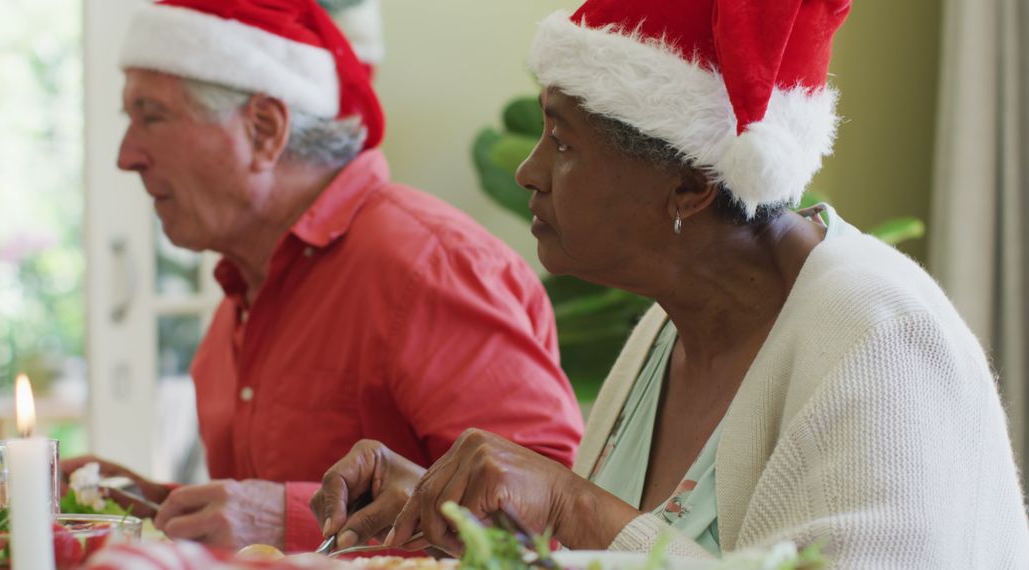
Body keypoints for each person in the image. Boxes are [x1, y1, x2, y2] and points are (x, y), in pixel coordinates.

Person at [311, 0, 1029, 566]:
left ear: (689, 186)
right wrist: (460, 520)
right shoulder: (669, 325)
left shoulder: (883, 340)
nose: (529, 171)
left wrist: (570, 504)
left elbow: (604, 530)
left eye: (562, 143)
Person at [63, 0, 584, 554]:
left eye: (151, 116)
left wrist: (293, 524)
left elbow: (548, 526)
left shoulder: (429, 266)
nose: (127, 155)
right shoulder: (238, 299)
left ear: (264, 130)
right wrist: (154, 505)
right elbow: (257, 512)